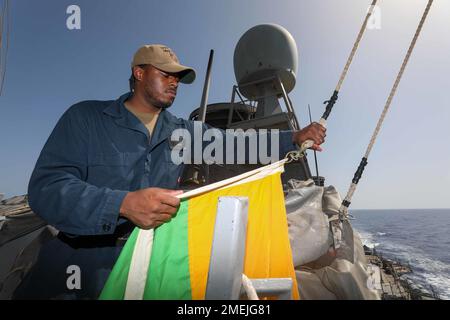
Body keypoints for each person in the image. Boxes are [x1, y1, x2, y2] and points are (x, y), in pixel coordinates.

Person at [13, 44, 326, 299]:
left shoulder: (182, 132)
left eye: (178, 78)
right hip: (79, 270)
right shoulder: (86, 118)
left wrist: (294, 137)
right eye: (166, 74)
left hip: (156, 271)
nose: (174, 82)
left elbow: (237, 143)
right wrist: (121, 204)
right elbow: (47, 188)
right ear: (138, 72)